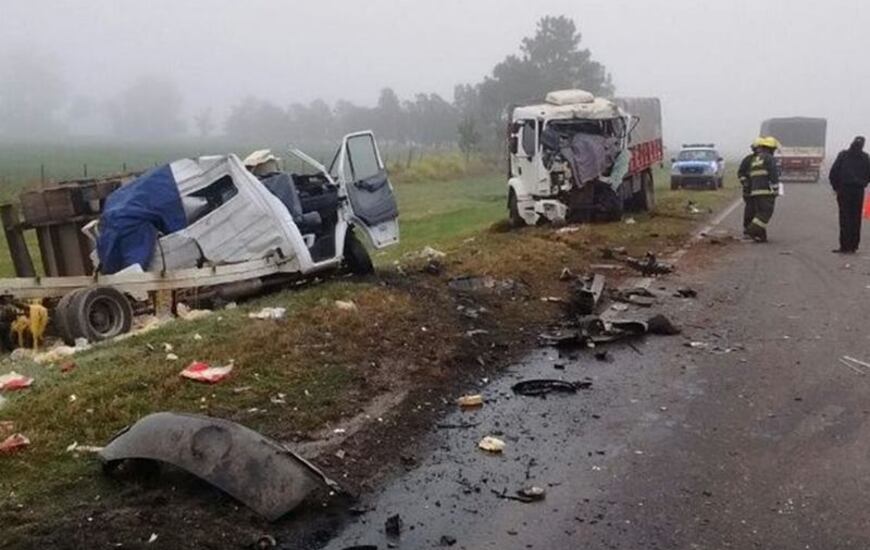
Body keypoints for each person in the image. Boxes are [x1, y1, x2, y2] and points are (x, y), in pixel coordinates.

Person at [828, 136, 870, 254]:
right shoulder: (865, 157)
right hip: (858, 191)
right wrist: (863, 182)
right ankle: (853, 246)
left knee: (845, 218)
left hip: (845, 190)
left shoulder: (843, 155)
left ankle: (845, 246)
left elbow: (833, 172)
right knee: (856, 218)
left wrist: (836, 187)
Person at [743, 136, 781, 242]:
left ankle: (761, 236)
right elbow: (773, 174)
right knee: (765, 213)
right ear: (771, 148)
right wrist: (776, 189)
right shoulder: (769, 158)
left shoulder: (756, 159)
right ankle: (750, 230)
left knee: (758, 213)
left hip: (755, 191)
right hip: (766, 191)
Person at [737, 139, 763, 236]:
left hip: (762, 190)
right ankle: (748, 228)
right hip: (749, 190)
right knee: (750, 210)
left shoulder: (766, 159)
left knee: (761, 212)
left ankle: (758, 231)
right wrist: (744, 181)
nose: (759, 150)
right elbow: (741, 172)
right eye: (758, 148)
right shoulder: (748, 159)